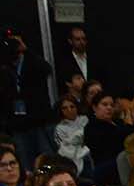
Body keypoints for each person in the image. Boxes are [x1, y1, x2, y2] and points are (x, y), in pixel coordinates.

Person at [0, 32, 55, 165]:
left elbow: (47, 69)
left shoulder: (31, 61)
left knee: (46, 158)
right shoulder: (5, 67)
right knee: (23, 159)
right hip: (17, 122)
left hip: (38, 119)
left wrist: (26, 50)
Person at [53, 96, 91, 176]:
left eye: (72, 107)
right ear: (61, 110)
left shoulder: (86, 120)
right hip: (74, 158)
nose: (69, 110)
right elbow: (65, 148)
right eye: (65, 108)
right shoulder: (59, 128)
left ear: (77, 107)